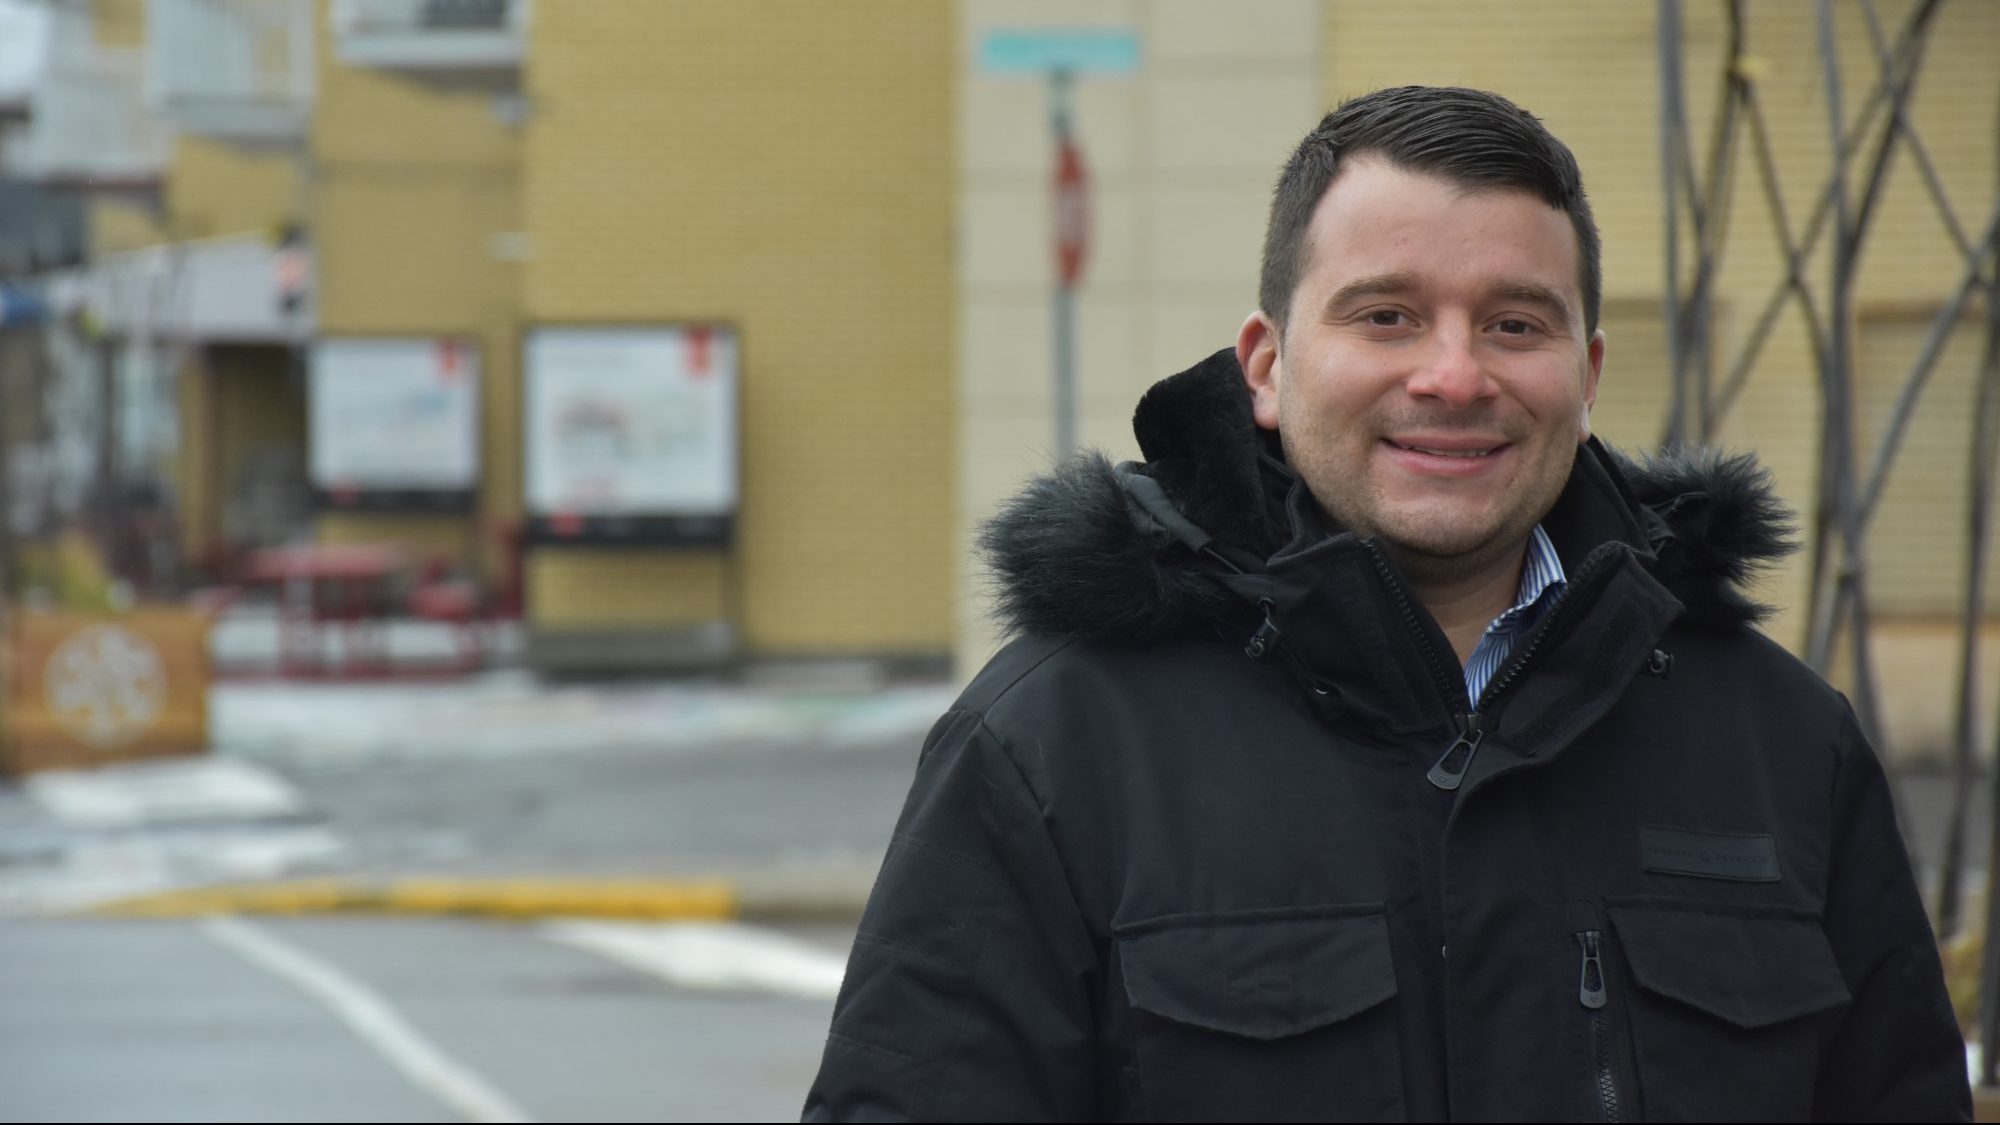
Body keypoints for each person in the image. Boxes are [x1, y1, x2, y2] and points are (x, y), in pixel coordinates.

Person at [803, 86, 1970, 1122]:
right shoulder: (1048, 748)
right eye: (1385, 317)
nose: (1453, 375)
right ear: (1265, 365)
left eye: (1514, 323)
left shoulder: (1781, 745)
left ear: (1587, 373)